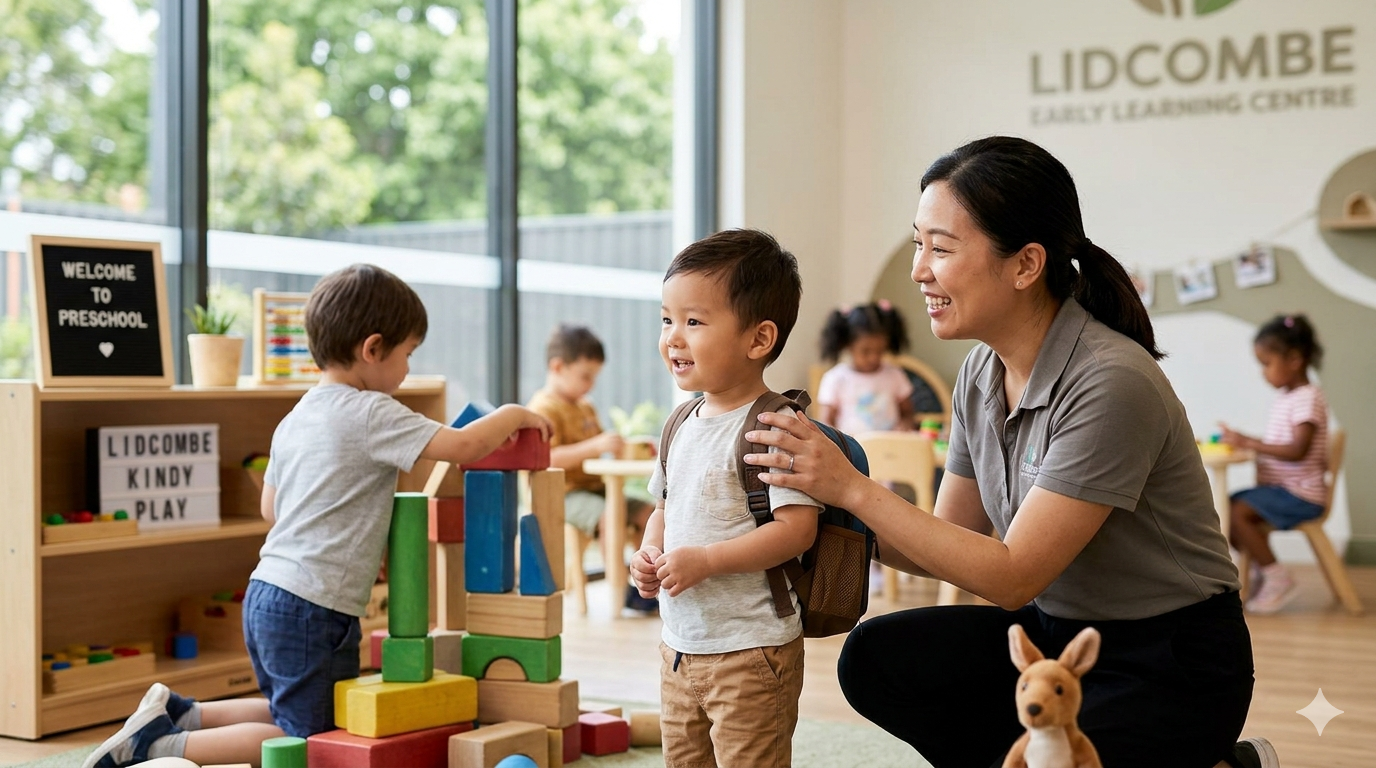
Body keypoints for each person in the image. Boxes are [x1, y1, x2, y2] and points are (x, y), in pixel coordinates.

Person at [741, 138, 1278, 768]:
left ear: (1025, 265)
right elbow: (944, 543)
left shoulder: (1111, 381)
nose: (919, 270)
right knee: (875, 658)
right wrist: (813, 513)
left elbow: (1013, 575)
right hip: (1052, 640)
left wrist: (853, 489)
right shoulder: (979, 372)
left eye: (940, 249)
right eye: (918, 244)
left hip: (1170, 658)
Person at [83, 264, 550, 768]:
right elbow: (463, 445)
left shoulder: (296, 416)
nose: (407, 371)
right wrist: (516, 412)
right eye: (407, 355)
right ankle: (159, 746)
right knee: (306, 740)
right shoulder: (372, 411)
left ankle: (180, 713)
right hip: (315, 608)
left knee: (289, 710)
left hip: (265, 594)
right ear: (372, 349)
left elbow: (270, 507)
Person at [628, 229, 822, 768]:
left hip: (752, 651)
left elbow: (795, 530)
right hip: (680, 647)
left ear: (758, 339)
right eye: (667, 319)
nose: (673, 337)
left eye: (694, 321)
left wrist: (708, 560)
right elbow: (664, 509)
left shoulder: (775, 426)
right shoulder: (680, 423)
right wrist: (648, 554)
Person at [526, 323, 657, 612]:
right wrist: (595, 446)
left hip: (597, 488)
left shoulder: (585, 407)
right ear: (558, 367)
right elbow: (546, 458)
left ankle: (646, 585)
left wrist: (628, 447)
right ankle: (619, 590)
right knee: (611, 515)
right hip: (565, 493)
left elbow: (600, 448)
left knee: (649, 512)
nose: (590, 385)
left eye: (594, 377)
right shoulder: (543, 408)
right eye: (585, 376)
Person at [1219, 314, 1328, 615]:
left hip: (1300, 495)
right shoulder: (1287, 397)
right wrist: (1244, 440)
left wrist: (1248, 442)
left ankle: (1276, 577)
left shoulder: (1307, 398)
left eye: (1266, 364)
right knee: (1226, 508)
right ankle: (1260, 568)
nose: (1263, 373)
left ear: (1294, 359)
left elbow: (1296, 451)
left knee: (1237, 513)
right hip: (1284, 490)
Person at [816, 300, 915, 434]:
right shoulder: (836, 378)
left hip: (890, 450)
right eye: (865, 351)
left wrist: (905, 425)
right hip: (850, 451)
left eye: (880, 351)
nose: (873, 358)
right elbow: (825, 422)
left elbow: (908, 413)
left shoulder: (894, 375)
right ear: (848, 345)